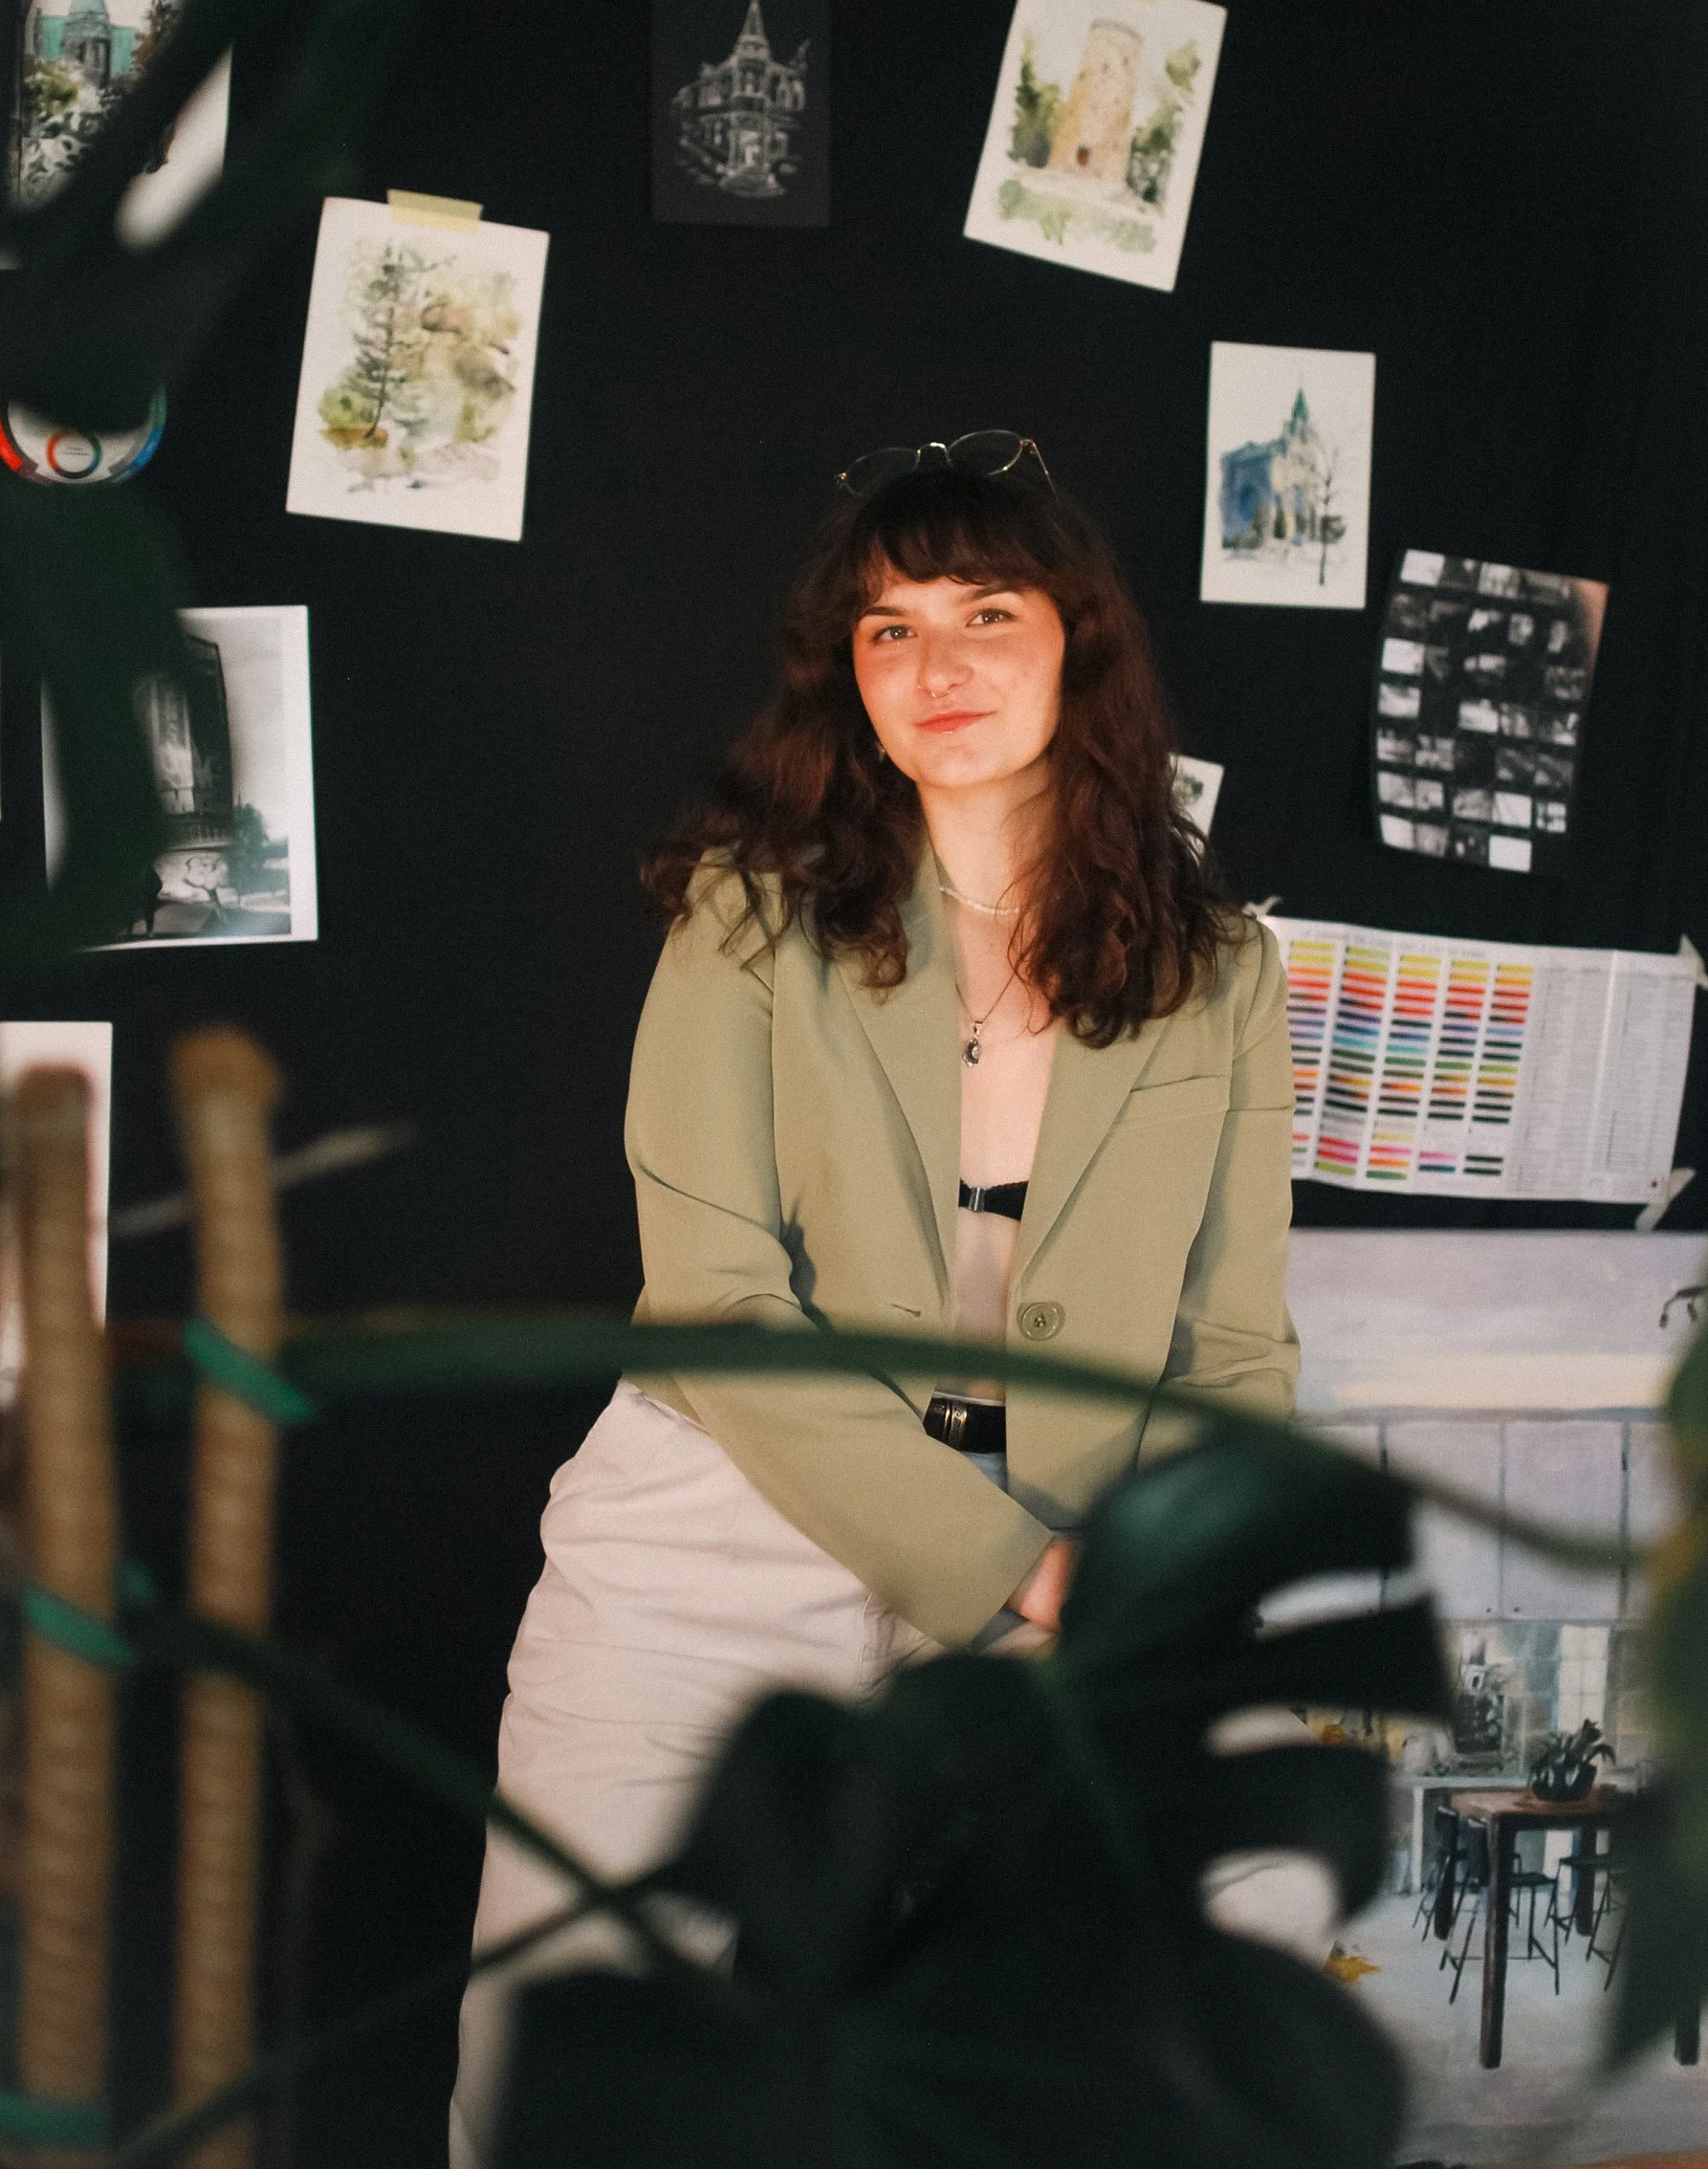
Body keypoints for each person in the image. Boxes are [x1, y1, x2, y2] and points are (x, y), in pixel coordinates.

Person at [450, 433, 1300, 2167]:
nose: (939, 667)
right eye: (887, 630)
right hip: (717, 1526)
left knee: (1203, 1975)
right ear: (845, 672)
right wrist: (1006, 1572)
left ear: (1080, 641)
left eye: (986, 612)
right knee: (560, 2030)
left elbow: (1232, 1340)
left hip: (1077, 1543)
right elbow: (710, 1300)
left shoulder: (1221, 970)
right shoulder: (747, 916)